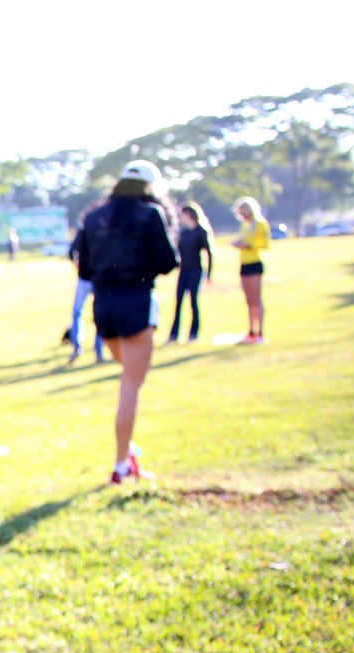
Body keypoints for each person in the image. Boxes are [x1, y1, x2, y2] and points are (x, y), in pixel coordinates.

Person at [78, 159, 179, 485]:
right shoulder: (150, 214)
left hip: (103, 307)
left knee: (129, 377)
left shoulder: (95, 216)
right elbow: (168, 261)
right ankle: (122, 464)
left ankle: (127, 450)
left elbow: (83, 267)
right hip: (136, 302)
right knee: (131, 384)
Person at [168, 202, 214, 344]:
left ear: (189, 215)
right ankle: (174, 334)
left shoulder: (200, 231)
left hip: (195, 271)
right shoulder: (184, 233)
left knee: (193, 302)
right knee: (178, 302)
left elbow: (209, 253)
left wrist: (209, 274)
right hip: (184, 271)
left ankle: (193, 333)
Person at [230, 196, 271, 344]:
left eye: (244, 211)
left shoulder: (260, 223)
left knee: (256, 298)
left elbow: (265, 244)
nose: (242, 214)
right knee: (249, 301)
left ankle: (260, 332)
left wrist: (249, 246)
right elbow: (243, 239)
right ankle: (251, 331)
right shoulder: (245, 225)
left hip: (254, 263)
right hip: (244, 263)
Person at [65, 223, 105, 364]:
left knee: (78, 312)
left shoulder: (85, 229)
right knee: (98, 314)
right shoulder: (103, 231)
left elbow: (72, 252)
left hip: (85, 278)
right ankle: (98, 351)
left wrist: (78, 264)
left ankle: (78, 347)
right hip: (97, 279)